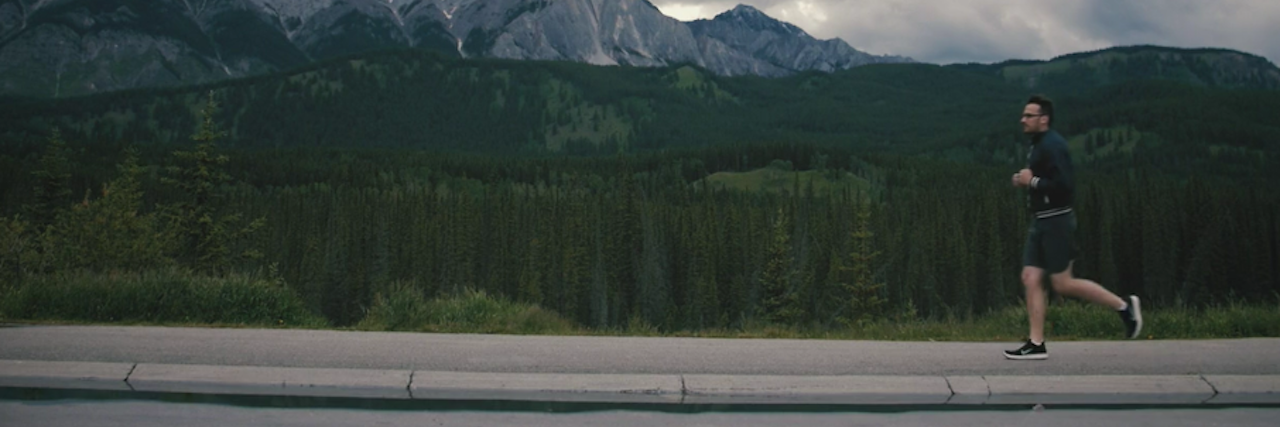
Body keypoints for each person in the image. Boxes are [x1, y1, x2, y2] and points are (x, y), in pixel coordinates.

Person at [1005, 95, 1142, 360]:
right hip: (1041, 220)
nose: (1023, 120)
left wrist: (1032, 182)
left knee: (1063, 284)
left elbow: (1065, 185)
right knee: (1030, 277)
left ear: (1044, 119)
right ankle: (1036, 343)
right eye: (1023, 115)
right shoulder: (1040, 144)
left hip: (1056, 221)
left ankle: (1124, 307)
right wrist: (1024, 180)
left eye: (1029, 116)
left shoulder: (1053, 145)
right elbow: (1043, 179)